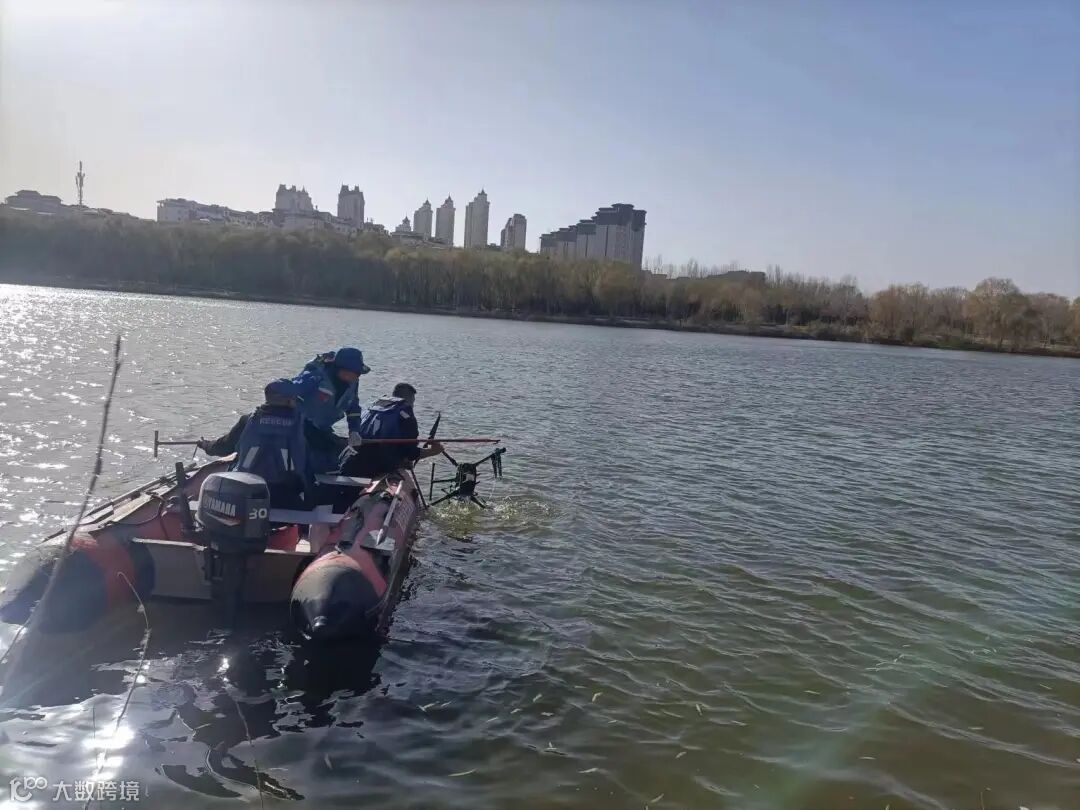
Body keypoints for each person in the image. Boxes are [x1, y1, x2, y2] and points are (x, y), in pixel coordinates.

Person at [197, 379, 310, 507]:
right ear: (288, 401)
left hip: (246, 491)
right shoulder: (301, 425)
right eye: (294, 399)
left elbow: (223, 447)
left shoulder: (248, 421)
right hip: (285, 493)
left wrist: (205, 445)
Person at [277, 347, 371, 473]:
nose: (353, 377)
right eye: (350, 373)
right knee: (317, 461)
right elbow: (289, 390)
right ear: (338, 368)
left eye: (357, 374)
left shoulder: (353, 383)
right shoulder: (315, 376)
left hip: (322, 429)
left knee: (338, 457)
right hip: (300, 427)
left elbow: (353, 408)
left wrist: (354, 430)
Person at [340, 383, 443, 477]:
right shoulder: (405, 414)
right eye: (413, 402)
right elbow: (411, 453)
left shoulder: (374, 407)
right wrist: (433, 451)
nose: (413, 406)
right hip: (375, 466)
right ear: (409, 400)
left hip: (349, 460)